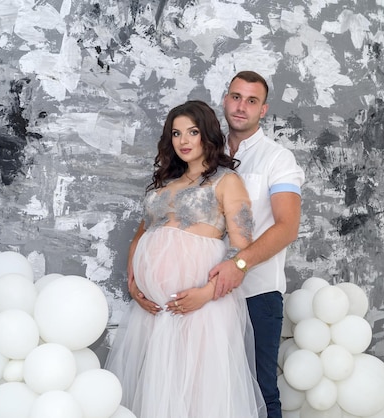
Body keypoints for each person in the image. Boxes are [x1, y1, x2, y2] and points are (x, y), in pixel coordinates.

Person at [105, 100, 266, 418]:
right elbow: (142, 235)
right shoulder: (163, 185)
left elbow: (242, 248)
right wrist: (134, 280)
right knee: (157, 388)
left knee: (196, 392)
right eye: (176, 133)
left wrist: (205, 294)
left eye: (192, 132)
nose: (184, 140)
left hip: (202, 306)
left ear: (207, 134)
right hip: (154, 311)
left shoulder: (226, 181)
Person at [208, 71, 305, 418]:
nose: (241, 106)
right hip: (206, 292)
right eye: (236, 97)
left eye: (252, 101)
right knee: (210, 388)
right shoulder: (204, 152)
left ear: (263, 110)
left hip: (256, 294)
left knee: (261, 392)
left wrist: (240, 265)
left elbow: (287, 227)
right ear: (225, 100)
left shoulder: (278, 160)